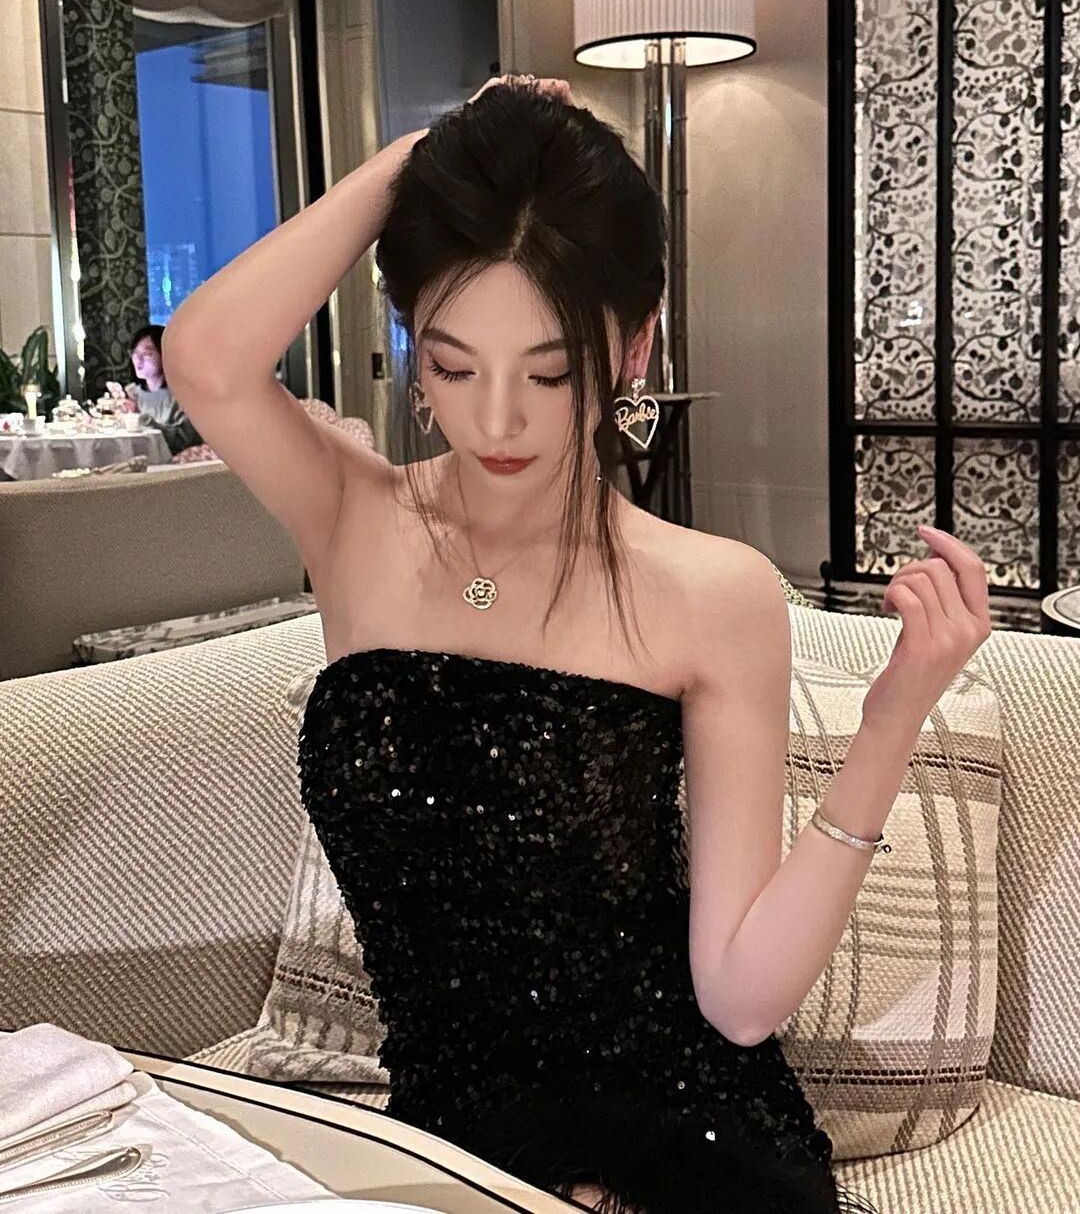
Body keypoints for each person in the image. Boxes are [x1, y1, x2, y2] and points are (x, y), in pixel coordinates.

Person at [161, 74, 988, 1213]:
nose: (497, 418)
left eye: (551, 372)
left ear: (635, 347)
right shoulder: (354, 519)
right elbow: (205, 358)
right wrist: (425, 155)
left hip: (682, 1147)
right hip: (448, 1162)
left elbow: (741, 1000)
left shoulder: (710, 591)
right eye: (452, 365)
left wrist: (893, 719)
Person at [123, 324, 203, 457]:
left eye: (147, 353)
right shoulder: (132, 393)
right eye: (135, 353)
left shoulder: (184, 394)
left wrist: (142, 419)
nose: (138, 359)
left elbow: (186, 440)